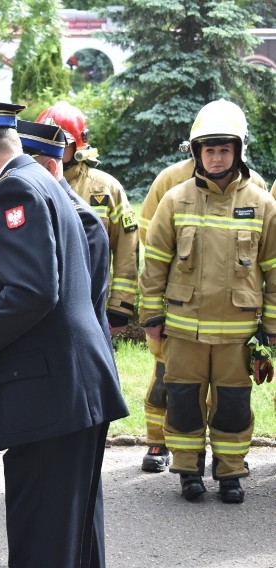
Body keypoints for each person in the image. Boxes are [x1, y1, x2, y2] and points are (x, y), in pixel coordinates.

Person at [0, 99, 128, 567]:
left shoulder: (16, 189)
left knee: (43, 543)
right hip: (66, 389)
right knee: (74, 538)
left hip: (50, 395)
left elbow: (32, 292)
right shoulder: (39, 180)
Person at [139, 99, 276, 504]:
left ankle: (231, 474)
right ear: (197, 153)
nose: (216, 158)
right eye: (209, 150)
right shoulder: (176, 199)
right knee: (183, 401)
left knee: (233, 405)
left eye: (224, 150)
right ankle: (188, 471)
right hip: (184, 329)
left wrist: (269, 330)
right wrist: (150, 316)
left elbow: (272, 270)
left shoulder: (263, 204)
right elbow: (156, 264)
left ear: (238, 151)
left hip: (237, 333)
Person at [37, 101, 138, 336]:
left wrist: (120, 306)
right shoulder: (30, 183)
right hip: (40, 303)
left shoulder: (106, 189)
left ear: (78, 144)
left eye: (61, 142)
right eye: (47, 140)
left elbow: (127, 248)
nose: (54, 148)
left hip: (91, 304)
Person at [16, 119, 110, 328]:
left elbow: (80, 301)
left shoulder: (82, 219)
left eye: (25, 168)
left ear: (50, 168)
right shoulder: (38, 209)